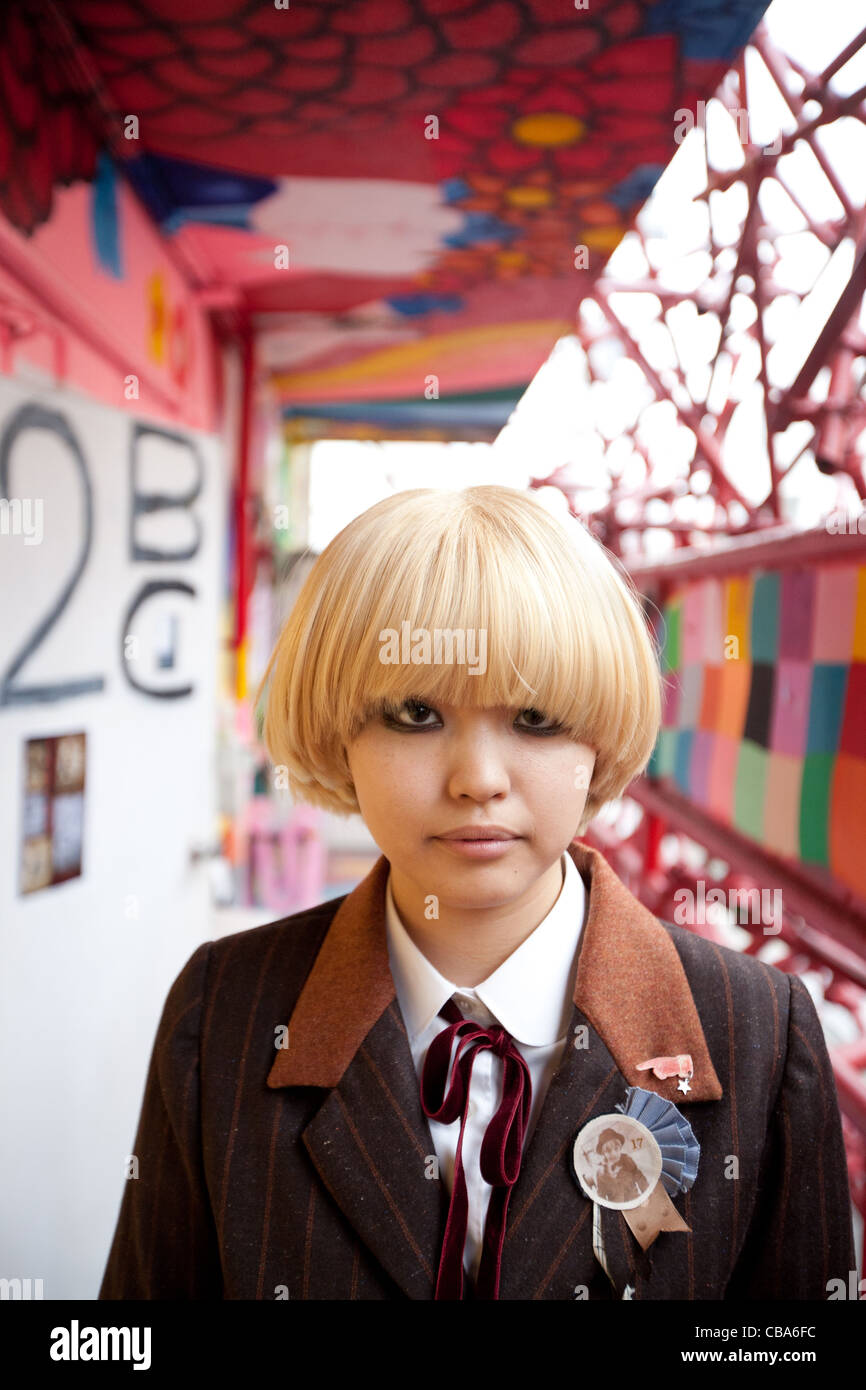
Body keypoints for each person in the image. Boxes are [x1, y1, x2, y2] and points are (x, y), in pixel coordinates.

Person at [99, 485, 855, 1301]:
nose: (478, 781)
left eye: (534, 718)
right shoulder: (224, 1015)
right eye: (416, 713)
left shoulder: (759, 1035)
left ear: (600, 735)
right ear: (336, 731)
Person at [593, 1129, 649, 1205]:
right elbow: (601, 1194)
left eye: (616, 1149)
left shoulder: (627, 1160)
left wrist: (645, 1195)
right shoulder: (601, 1173)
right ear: (603, 1153)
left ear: (620, 1148)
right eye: (608, 1151)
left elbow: (640, 1177)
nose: (613, 1153)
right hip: (617, 1206)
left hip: (635, 1200)